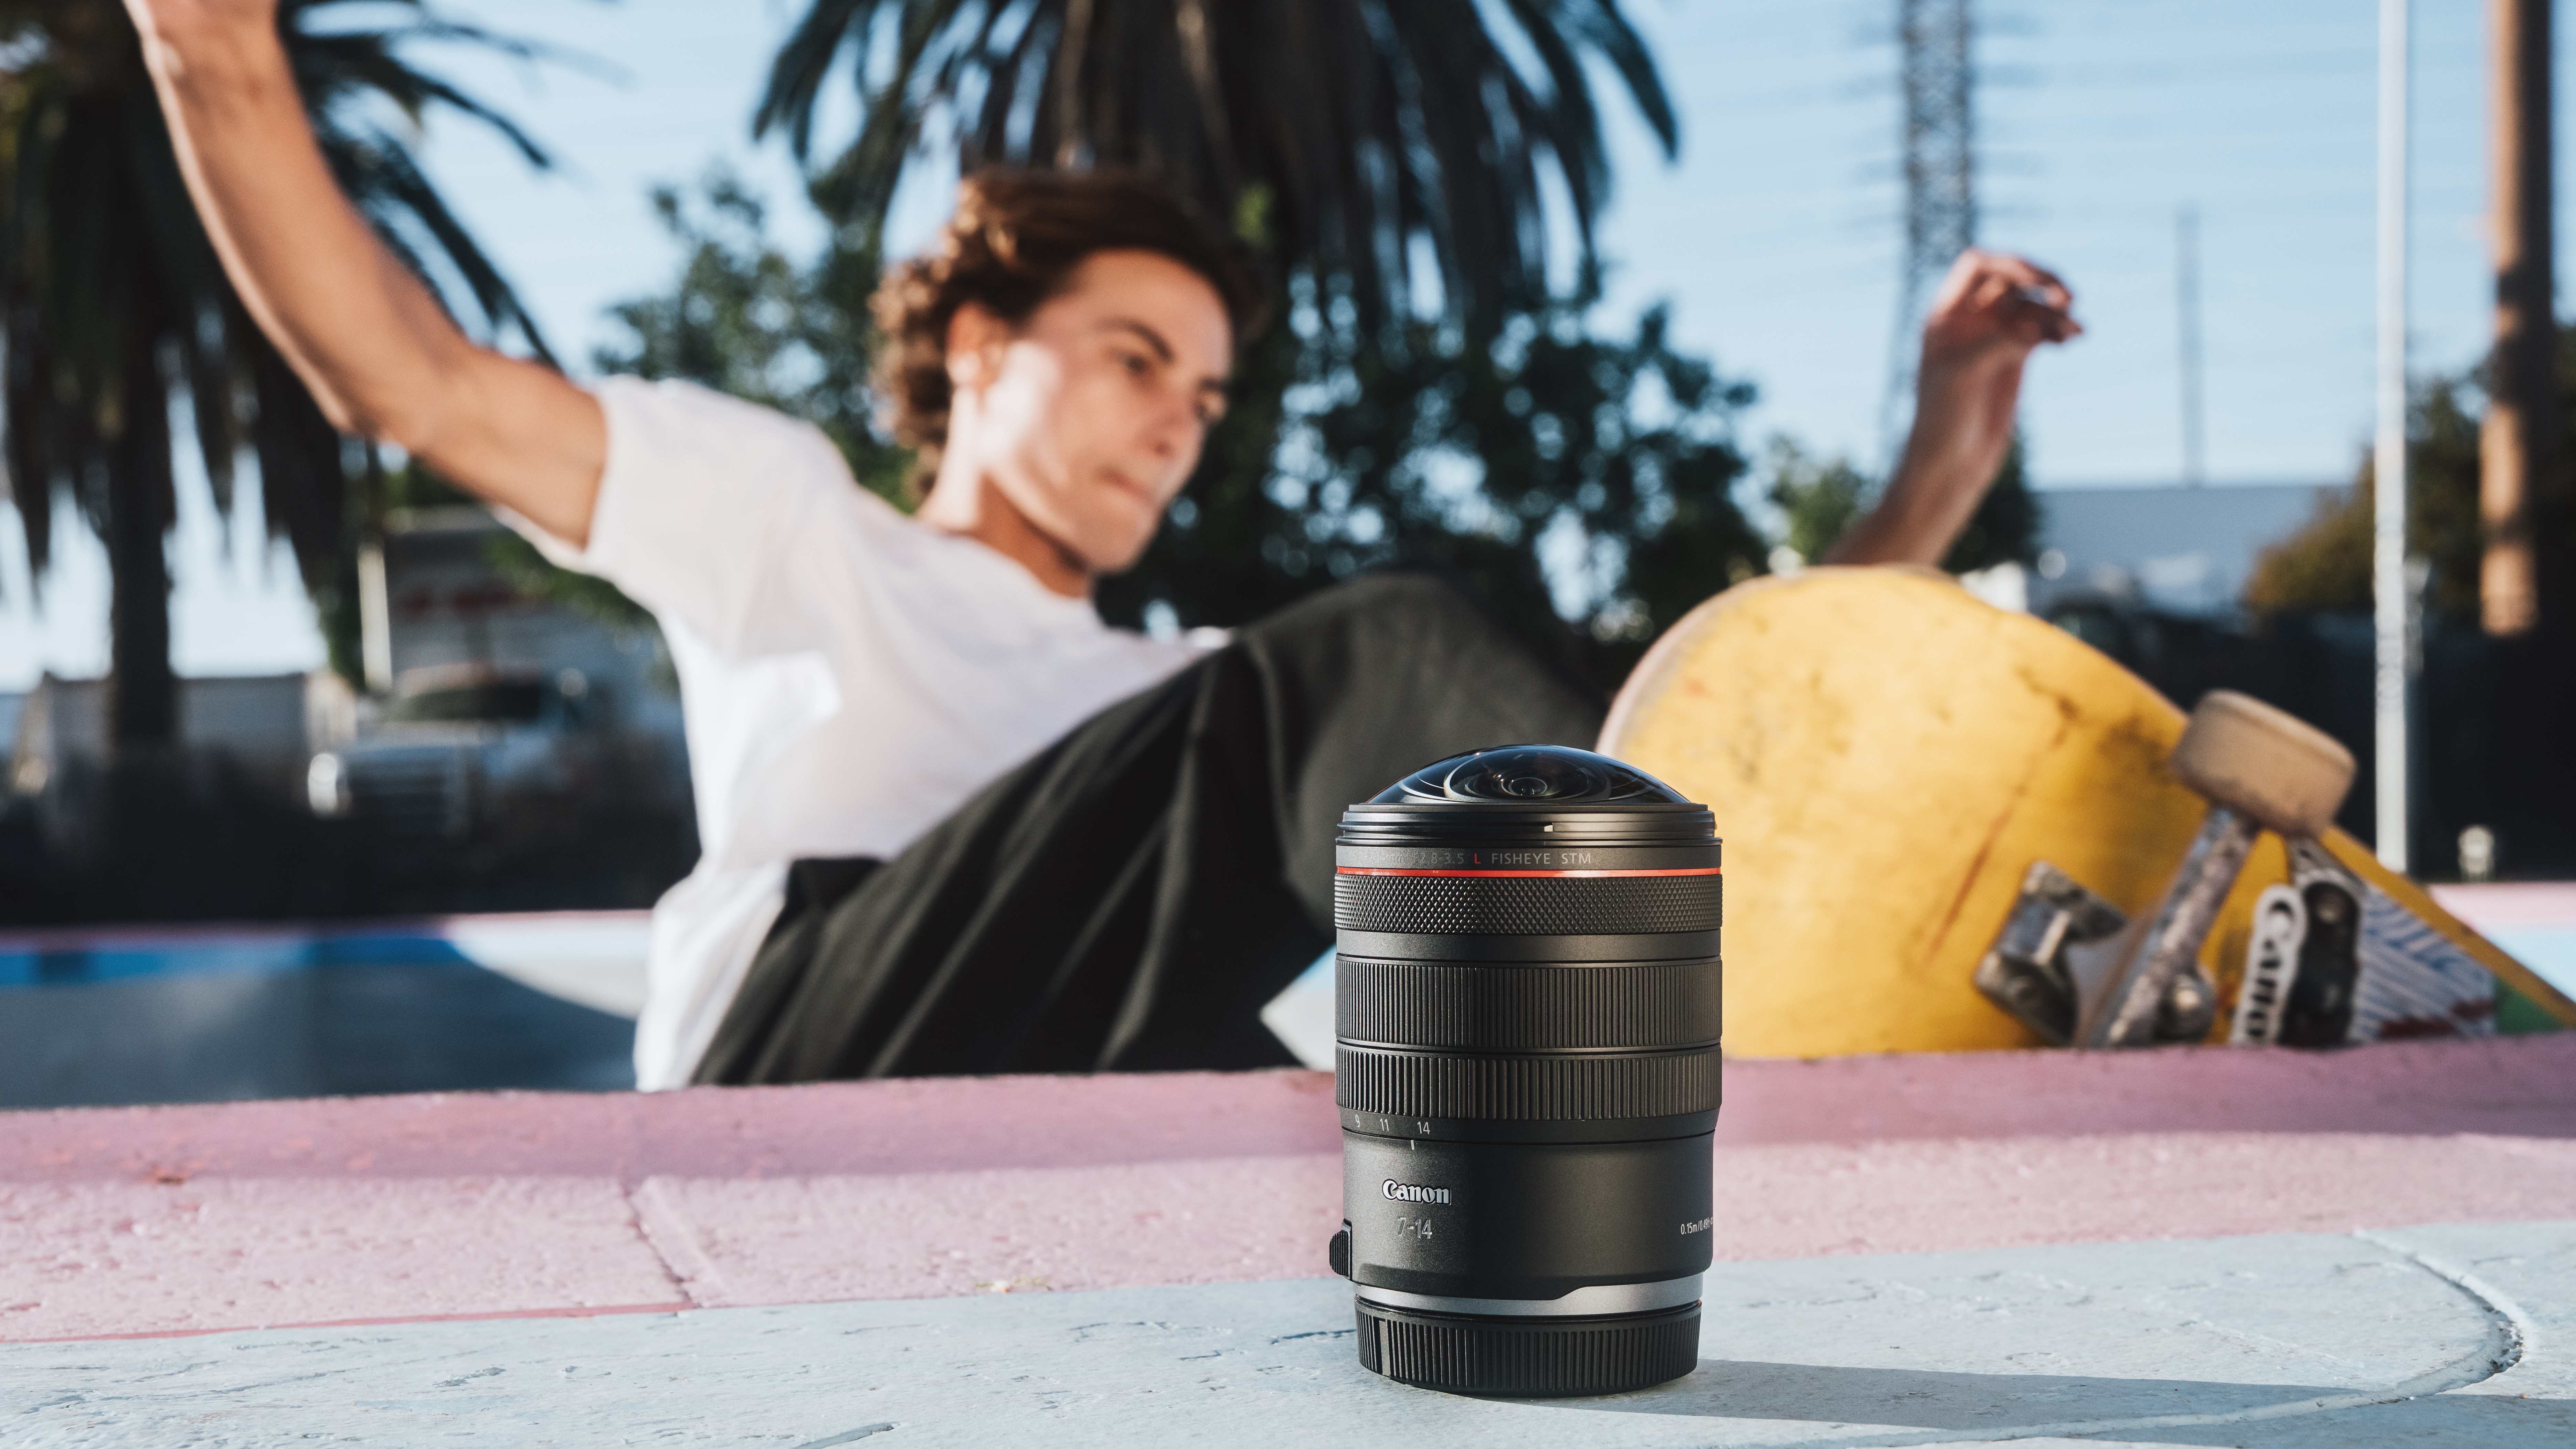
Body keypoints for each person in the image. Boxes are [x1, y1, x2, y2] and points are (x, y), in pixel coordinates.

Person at [125, 0, 2080, 1090]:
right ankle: (1779, 951)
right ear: (979, 352)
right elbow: (415, 381)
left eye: (1208, 397)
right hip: (798, 1066)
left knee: (1340, 982)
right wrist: (214, 55)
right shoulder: (794, 521)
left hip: (1036, 1086)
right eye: (1137, 357)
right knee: (1380, 657)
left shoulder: (1179, 716)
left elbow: (1648, 717)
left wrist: (1929, 470)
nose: (1175, 418)